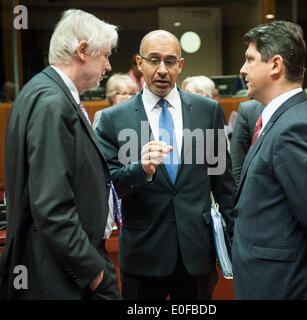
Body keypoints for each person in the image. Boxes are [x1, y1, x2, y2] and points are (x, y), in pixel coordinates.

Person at [95, 30, 236, 300]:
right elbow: (109, 187)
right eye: (154, 60)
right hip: (143, 256)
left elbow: (223, 183)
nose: (162, 70)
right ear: (139, 63)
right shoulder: (114, 119)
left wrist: (236, 241)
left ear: (180, 65)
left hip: (196, 254)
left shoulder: (207, 111)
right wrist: (139, 169)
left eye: (170, 61)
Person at [0, 9, 121, 300]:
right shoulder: (52, 102)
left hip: (56, 268)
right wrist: (95, 275)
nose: (107, 66)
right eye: (104, 55)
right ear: (82, 50)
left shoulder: (42, 91)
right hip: (58, 276)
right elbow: (53, 209)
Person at [232, 20, 307, 299]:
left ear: (275, 65)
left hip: (287, 286)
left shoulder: (296, 126)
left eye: (250, 59)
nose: (243, 69)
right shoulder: (279, 119)